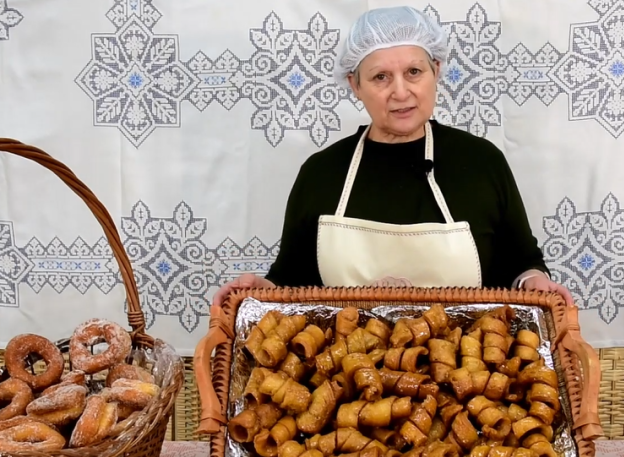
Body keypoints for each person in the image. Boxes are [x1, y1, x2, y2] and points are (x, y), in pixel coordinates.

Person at [213, 6, 573, 306]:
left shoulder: (481, 162)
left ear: (437, 70)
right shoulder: (321, 173)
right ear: (355, 85)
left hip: (468, 380)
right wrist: (261, 289)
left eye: (414, 72)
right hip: (346, 380)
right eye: (381, 77)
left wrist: (534, 280)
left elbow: (522, 262)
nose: (401, 92)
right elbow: (292, 281)